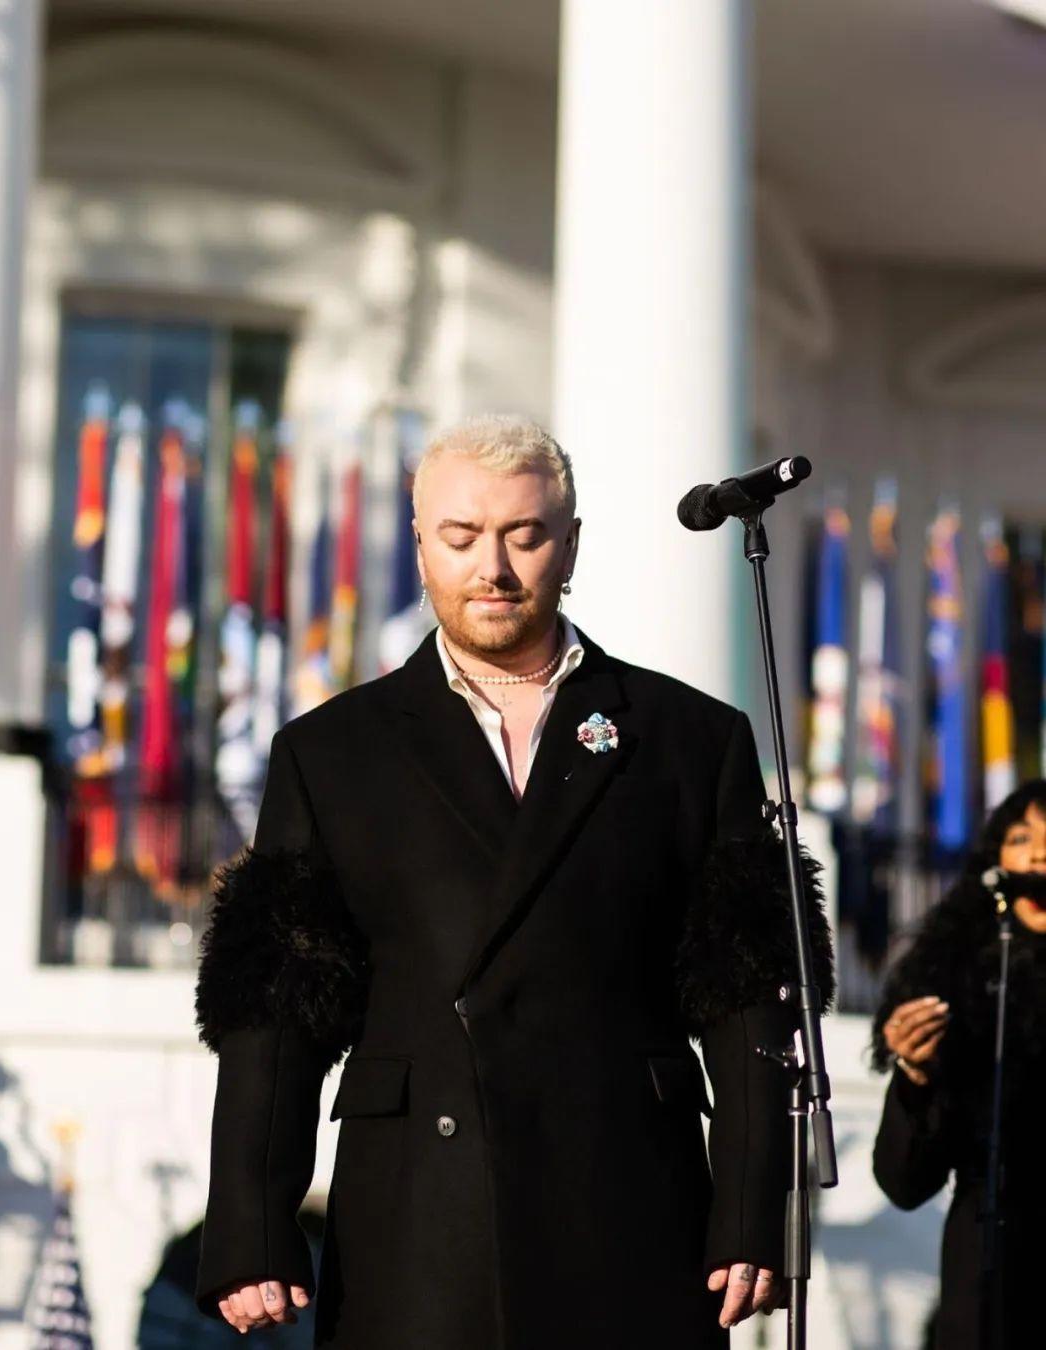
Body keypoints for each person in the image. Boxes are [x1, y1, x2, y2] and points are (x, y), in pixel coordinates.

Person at [192, 415, 834, 1349]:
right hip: (418, 1223)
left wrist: (749, 1208)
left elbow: (747, 1001)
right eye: (461, 536)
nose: (492, 567)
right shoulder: (331, 753)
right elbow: (276, 1012)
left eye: (524, 536)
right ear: (420, 544)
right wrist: (250, 1224)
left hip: (628, 1212)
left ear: (570, 545)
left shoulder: (690, 740)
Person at [871, 780, 1046, 1350]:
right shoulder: (960, 980)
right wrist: (916, 1075)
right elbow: (903, 1182)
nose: (1038, 856)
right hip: (987, 1259)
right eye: (1021, 839)